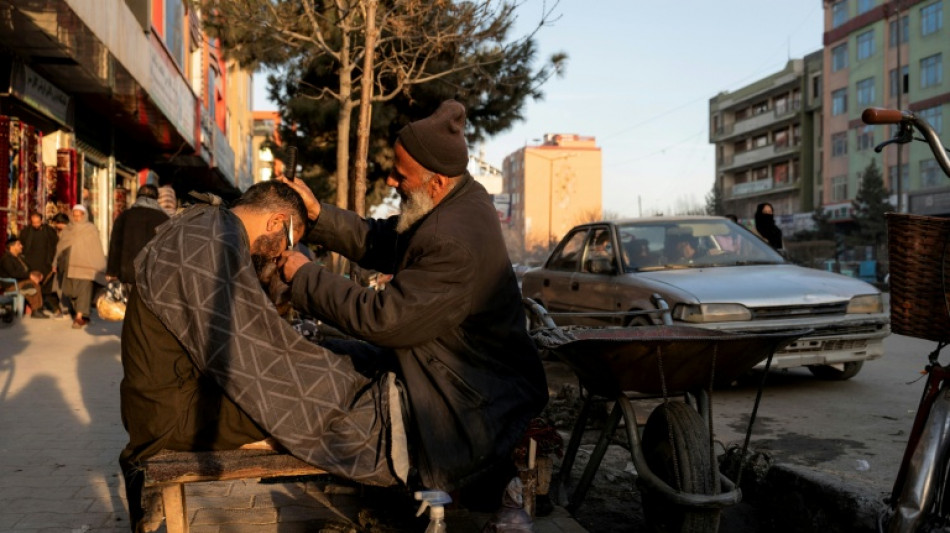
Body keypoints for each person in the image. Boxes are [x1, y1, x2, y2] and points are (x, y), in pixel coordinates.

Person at [276, 100, 548, 504]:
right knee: (323, 356)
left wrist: (304, 275)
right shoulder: (458, 199)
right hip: (460, 370)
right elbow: (386, 240)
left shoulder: (451, 239)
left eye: (400, 175)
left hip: (476, 399)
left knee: (329, 379)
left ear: (435, 182)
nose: (389, 181)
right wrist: (319, 217)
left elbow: (383, 319)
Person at [119, 181, 410, 532]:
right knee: (330, 399)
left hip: (176, 393)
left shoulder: (212, 227)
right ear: (276, 222)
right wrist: (336, 378)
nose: (280, 254)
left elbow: (250, 339)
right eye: (288, 241)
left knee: (340, 365)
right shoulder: (213, 240)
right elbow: (255, 357)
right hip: (173, 413)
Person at [53, 205, 106, 329]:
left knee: (84, 291)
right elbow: (60, 248)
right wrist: (55, 263)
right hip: (69, 266)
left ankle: (79, 317)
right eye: (74, 215)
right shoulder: (68, 229)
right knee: (70, 291)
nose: (77, 218)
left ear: (84, 215)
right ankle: (80, 313)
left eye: (79, 215)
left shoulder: (90, 229)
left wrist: (99, 266)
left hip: (86, 266)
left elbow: (96, 248)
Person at [106, 184, 169, 288]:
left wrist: (112, 271)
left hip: (128, 273)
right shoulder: (164, 219)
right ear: (156, 198)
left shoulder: (125, 216)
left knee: (130, 303)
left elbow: (115, 245)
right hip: (154, 275)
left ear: (138, 197)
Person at [19, 211, 59, 314]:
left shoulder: (49, 231)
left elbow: (55, 245)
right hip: (30, 263)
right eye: (34, 223)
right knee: (33, 285)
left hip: (46, 262)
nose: (36, 225)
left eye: (37, 222)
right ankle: (35, 306)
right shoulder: (26, 232)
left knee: (47, 285)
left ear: (41, 220)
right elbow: (22, 246)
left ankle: (50, 306)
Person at [0, 236, 48, 318]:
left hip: (21, 280)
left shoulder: (20, 257)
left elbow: (28, 269)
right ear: (12, 246)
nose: (21, 246)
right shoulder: (6, 259)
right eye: (19, 244)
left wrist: (36, 274)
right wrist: (30, 276)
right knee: (33, 283)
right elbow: (14, 273)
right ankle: (36, 310)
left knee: (37, 277)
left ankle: (36, 305)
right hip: (12, 284)